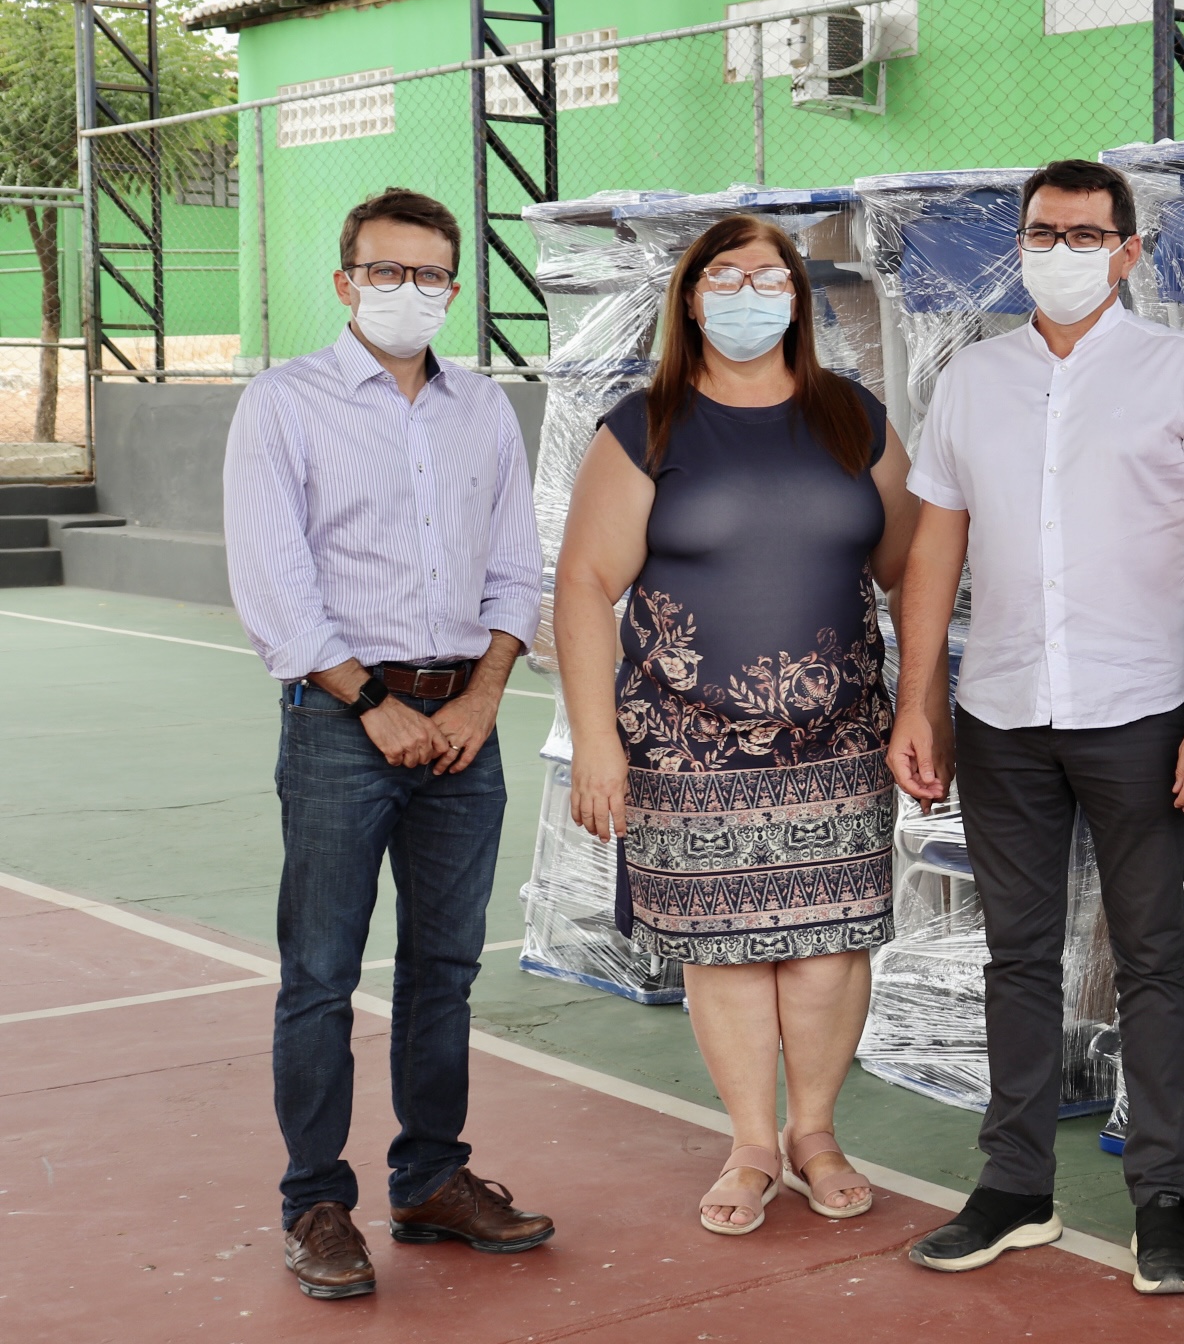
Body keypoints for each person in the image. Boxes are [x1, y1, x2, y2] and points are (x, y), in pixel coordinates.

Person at [887, 158, 1184, 1294]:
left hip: (1140, 710)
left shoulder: (1182, 371)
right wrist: (919, 698)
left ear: (1128, 252)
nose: (1061, 253)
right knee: (1017, 955)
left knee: (1150, 954)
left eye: (1086, 235)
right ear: (1020, 245)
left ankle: (1163, 1198)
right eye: (1043, 233)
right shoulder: (971, 380)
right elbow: (934, 549)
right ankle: (1015, 1187)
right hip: (1002, 713)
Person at [553, 213, 917, 1236]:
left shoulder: (853, 418)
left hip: (839, 742)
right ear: (689, 297)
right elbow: (583, 584)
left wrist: (923, 701)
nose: (747, 297)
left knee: (829, 946)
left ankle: (815, 1135)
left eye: (769, 278)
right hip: (686, 747)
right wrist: (596, 741)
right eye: (725, 277)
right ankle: (752, 1144)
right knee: (725, 948)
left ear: (798, 300)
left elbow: (912, 565)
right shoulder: (645, 425)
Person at [224, 187, 553, 1302]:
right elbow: (275, 584)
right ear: (345, 280)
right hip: (340, 725)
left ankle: (430, 1179)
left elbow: (516, 567)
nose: (409, 290)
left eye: (430, 275)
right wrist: (372, 702)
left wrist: (483, 697)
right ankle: (316, 1202)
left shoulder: (484, 407)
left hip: (465, 724)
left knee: (445, 969)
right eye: (386, 270)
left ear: (454, 288)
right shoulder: (284, 403)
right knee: (321, 975)